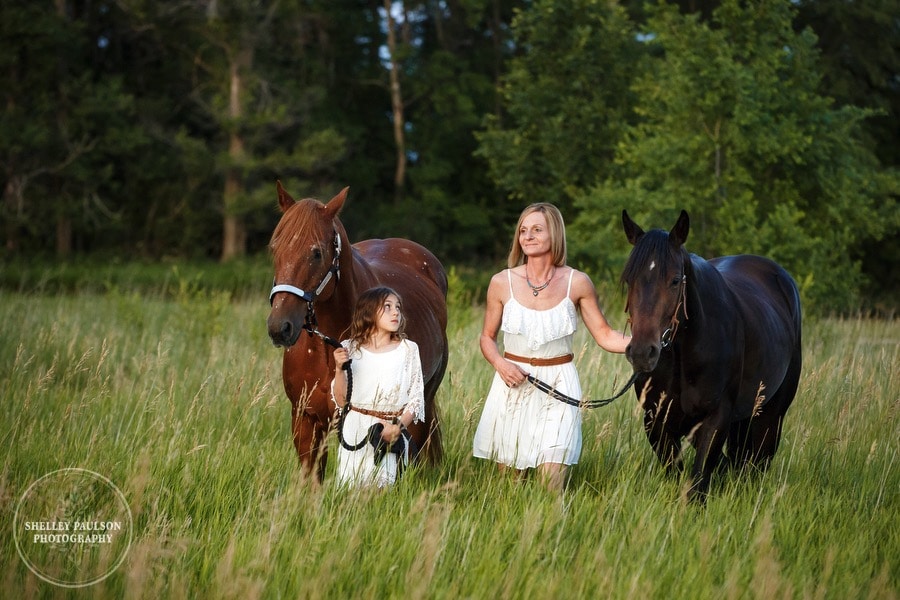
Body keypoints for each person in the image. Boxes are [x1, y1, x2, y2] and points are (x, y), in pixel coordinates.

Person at [472, 203, 631, 491]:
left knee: (552, 479)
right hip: (512, 385)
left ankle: (553, 526)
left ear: (554, 234)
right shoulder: (501, 282)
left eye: (536, 229)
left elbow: (606, 335)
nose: (527, 236)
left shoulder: (578, 282)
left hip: (559, 385)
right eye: (523, 230)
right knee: (511, 484)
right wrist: (500, 364)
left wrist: (644, 344)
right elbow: (486, 337)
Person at [331, 286, 425, 488]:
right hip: (355, 429)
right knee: (350, 493)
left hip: (389, 429)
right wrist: (339, 369)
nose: (395, 312)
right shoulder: (348, 348)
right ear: (369, 312)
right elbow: (340, 401)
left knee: (384, 492)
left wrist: (397, 427)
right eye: (387, 306)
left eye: (398, 307)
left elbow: (416, 399)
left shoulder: (408, 349)